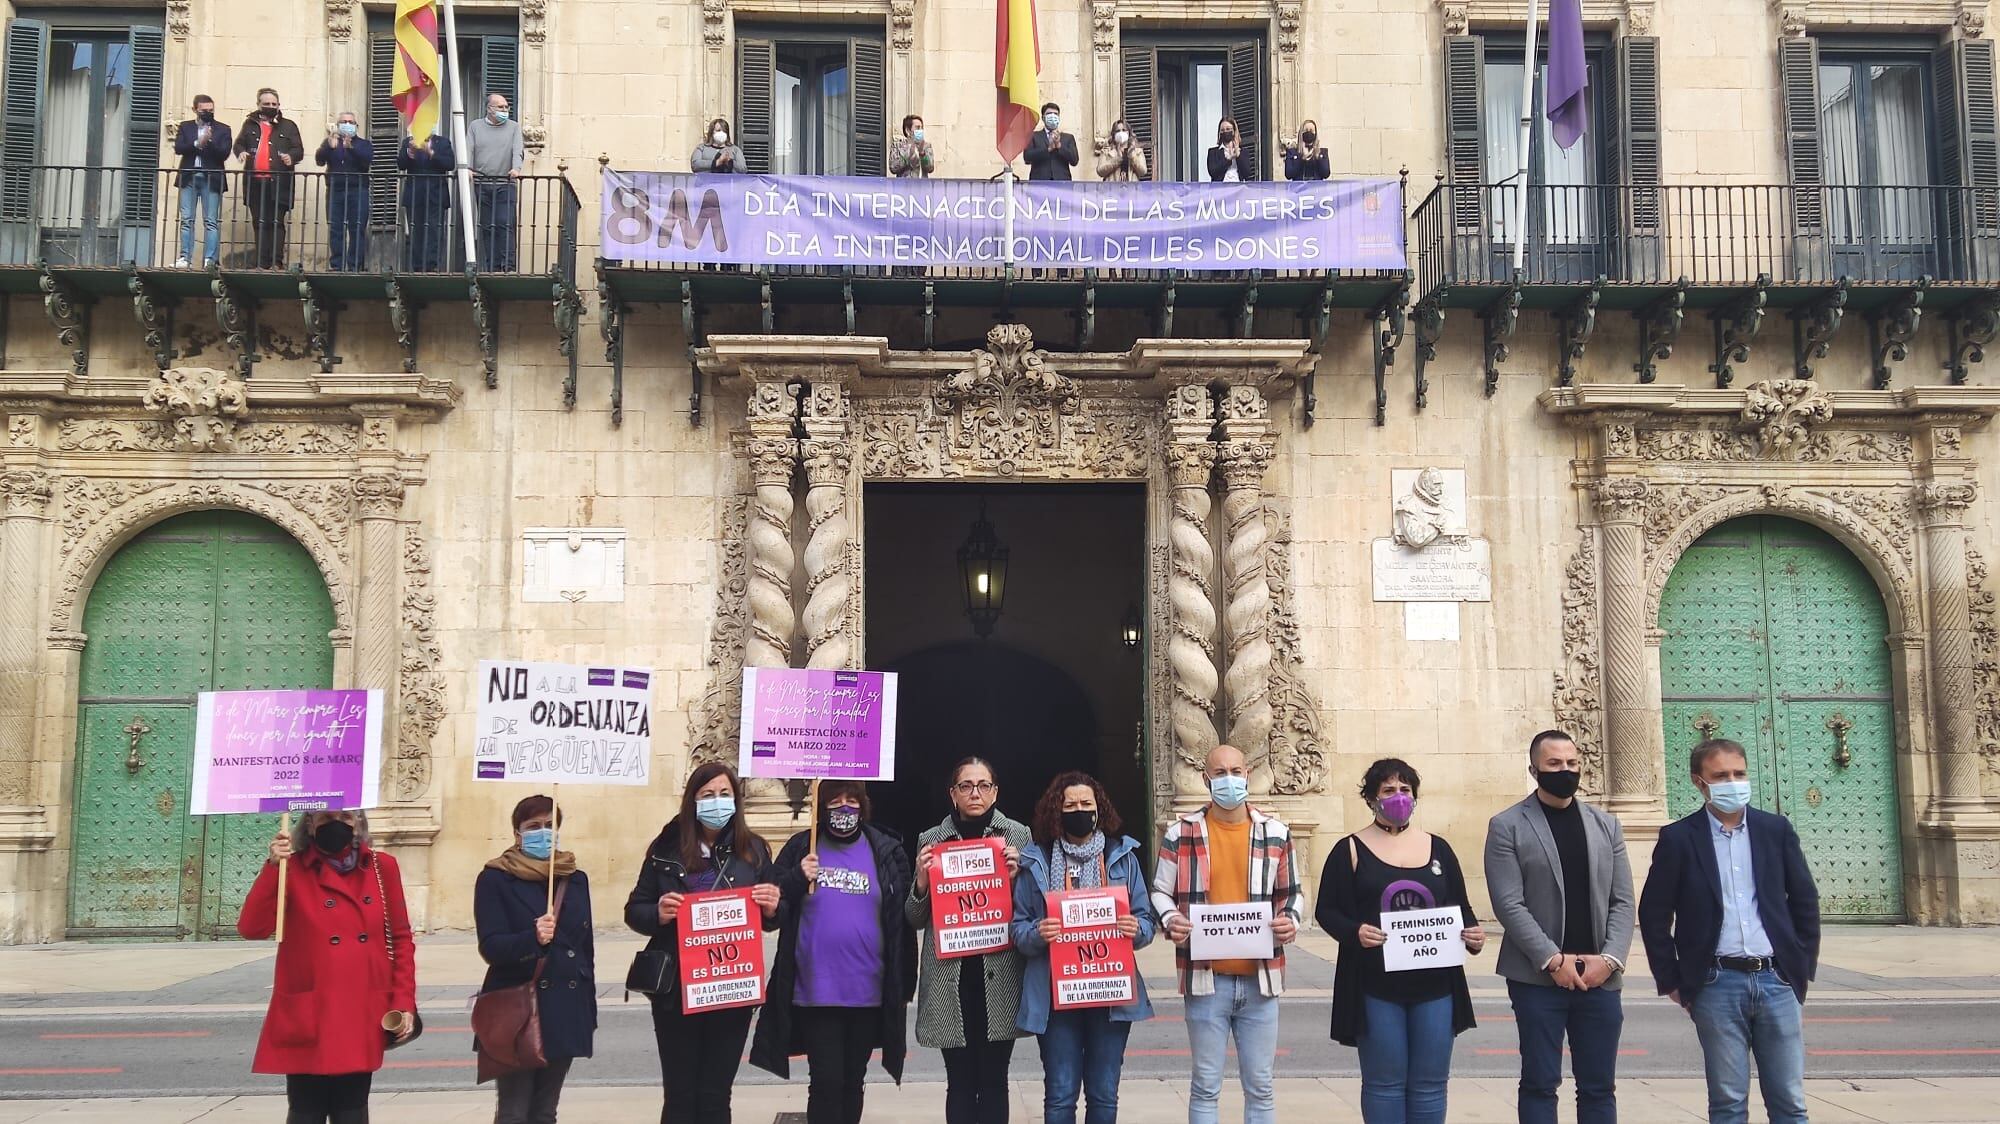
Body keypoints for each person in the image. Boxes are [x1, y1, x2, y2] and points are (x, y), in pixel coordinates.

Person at [1639, 738, 1821, 1124]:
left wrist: (1801, 966)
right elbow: (1654, 913)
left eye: (1739, 773)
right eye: (1720, 775)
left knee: (1789, 1101)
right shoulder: (1679, 838)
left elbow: (1804, 899)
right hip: (1716, 982)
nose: (1732, 782)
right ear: (1699, 782)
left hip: (1776, 979)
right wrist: (1672, 979)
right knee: (1728, 1101)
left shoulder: (1775, 830)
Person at [1316, 758, 1485, 1124]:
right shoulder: (1350, 850)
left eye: (1405, 790)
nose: (1398, 797)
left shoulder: (1438, 848)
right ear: (1372, 799)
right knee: (1384, 1083)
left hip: (1437, 985)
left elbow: (1460, 907)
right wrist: (1354, 932)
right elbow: (1327, 911)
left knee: (1430, 1083)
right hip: (1375, 986)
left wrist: (1472, 935)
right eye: (1388, 790)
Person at [1483, 730, 1635, 1124]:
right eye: (1554, 764)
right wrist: (1552, 959)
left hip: (1600, 979)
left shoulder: (1607, 826)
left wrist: (1611, 958)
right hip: (1537, 981)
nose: (1565, 771)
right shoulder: (1506, 826)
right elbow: (1508, 903)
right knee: (1539, 1082)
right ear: (1534, 770)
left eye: (1571, 763)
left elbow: (1622, 901)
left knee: (1599, 1087)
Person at [1152, 745, 1303, 1124]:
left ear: (1248, 774)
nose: (1229, 779)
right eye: (1219, 773)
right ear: (1206, 780)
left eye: (1235, 771)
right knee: (1205, 1085)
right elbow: (1159, 891)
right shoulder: (1179, 833)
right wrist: (1171, 919)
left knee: (1261, 1086)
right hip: (1205, 979)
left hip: (1261, 978)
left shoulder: (1276, 833)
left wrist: (1290, 920)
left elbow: (1292, 894)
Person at [750, 780, 916, 1124]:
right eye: (835, 800)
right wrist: (797, 878)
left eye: (851, 800)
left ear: (863, 805)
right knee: (824, 1082)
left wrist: (904, 986)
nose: (843, 808)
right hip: (816, 991)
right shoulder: (801, 848)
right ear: (821, 807)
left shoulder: (886, 849)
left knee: (853, 1083)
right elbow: (772, 912)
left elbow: (902, 921)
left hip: (868, 991)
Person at [237, 809, 416, 1124]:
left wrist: (403, 1002)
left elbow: (400, 939)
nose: (337, 824)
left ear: (359, 822)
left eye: (346, 816)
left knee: (352, 1110)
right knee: (306, 1110)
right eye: (326, 816)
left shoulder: (381, 867)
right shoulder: (290, 868)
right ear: (309, 823)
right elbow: (252, 927)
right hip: (310, 1012)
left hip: (362, 1009)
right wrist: (272, 867)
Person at [626, 762, 781, 1124]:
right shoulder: (666, 849)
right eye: (708, 795)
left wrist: (774, 907)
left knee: (715, 1096)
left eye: (725, 794)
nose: (717, 802)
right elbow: (635, 910)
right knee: (680, 1096)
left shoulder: (754, 850)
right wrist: (658, 913)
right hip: (677, 992)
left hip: (730, 990)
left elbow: (774, 915)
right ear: (692, 801)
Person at [1012, 770, 1156, 1124]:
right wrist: (1037, 932)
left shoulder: (1122, 856)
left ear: (1099, 808)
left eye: (1086, 804)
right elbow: (1018, 928)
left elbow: (1147, 921)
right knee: (1060, 1095)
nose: (1079, 810)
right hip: (1056, 996)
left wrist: (1136, 928)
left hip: (1109, 992)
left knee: (1104, 1095)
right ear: (1055, 811)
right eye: (1070, 804)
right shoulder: (1037, 861)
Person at [908, 757, 1030, 1124]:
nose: (974, 793)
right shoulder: (931, 841)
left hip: (1000, 979)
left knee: (995, 1081)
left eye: (983, 785)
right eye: (966, 786)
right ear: (953, 793)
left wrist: (1016, 879)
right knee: (959, 1082)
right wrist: (921, 883)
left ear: (995, 792)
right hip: (951, 982)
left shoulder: (1018, 837)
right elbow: (913, 918)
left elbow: (1032, 911)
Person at [476, 794, 595, 1124]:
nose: (543, 833)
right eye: (533, 827)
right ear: (517, 833)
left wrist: (589, 1010)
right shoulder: (495, 878)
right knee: (514, 1112)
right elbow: (491, 946)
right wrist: (533, 938)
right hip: (518, 1009)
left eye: (549, 826)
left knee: (545, 1112)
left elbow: (586, 948)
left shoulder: (574, 877)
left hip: (566, 1006)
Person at [232, 88, 304, 268]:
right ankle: (261, 263)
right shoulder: (249, 124)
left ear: (279, 105)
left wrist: (291, 157)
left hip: (279, 182)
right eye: (267, 104)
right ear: (259, 105)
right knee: (259, 222)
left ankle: (276, 262)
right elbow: (239, 143)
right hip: (255, 182)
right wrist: (241, 152)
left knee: (276, 222)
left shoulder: (289, 126)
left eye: (274, 104)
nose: (271, 107)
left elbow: (298, 149)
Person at [172, 95, 230, 268]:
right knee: (187, 219)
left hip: (211, 178)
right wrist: (198, 143)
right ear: (195, 109)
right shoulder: (186, 127)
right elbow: (179, 148)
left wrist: (209, 141)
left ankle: (210, 259)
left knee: (211, 220)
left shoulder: (223, 129)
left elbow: (224, 153)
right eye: (204, 110)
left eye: (211, 110)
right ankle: (185, 258)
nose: (208, 113)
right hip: (189, 176)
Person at [315, 111, 373, 272]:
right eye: (344, 122)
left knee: (357, 228)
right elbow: (319, 160)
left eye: (350, 122)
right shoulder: (331, 142)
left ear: (356, 126)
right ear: (338, 125)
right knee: (335, 228)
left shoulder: (363, 144)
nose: (347, 124)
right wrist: (328, 146)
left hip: (358, 190)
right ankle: (337, 265)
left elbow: (366, 161)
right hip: (335, 191)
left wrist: (351, 148)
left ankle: (355, 265)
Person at [398, 131, 454, 272]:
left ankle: (432, 266)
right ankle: (417, 266)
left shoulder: (443, 142)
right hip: (415, 193)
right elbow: (401, 164)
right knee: (416, 231)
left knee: (435, 230)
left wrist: (431, 153)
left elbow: (449, 164)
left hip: (436, 194)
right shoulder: (408, 142)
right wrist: (409, 151)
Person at [1025, 103, 1079, 182]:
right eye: (1049, 114)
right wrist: (1048, 149)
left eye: (1055, 114)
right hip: (1039, 185)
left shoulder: (1068, 138)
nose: (1053, 116)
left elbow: (1074, 161)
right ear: (1043, 118)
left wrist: (1059, 146)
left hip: (1062, 184)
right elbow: (1027, 158)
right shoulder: (1033, 136)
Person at [1207, 117, 1252, 182]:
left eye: (1228, 129)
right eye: (1222, 130)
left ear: (1234, 131)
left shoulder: (1243, 152)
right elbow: (1213, 172)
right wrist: (1228, 159)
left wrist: (1238, 155)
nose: (1225, 132)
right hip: (1220, 190)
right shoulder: (1213, 152)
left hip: (1238, 189)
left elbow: (1247, 173)